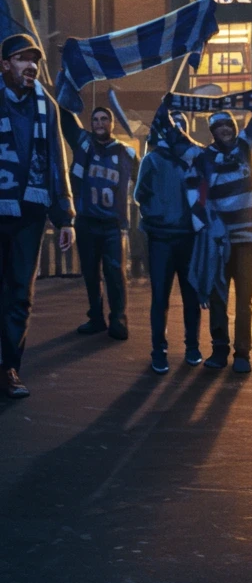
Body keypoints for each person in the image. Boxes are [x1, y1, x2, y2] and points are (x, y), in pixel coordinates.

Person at [0, 35, 74, 399]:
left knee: (19, 296)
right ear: (4, 65)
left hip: (29, 215)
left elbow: (57, 163)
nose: (30, 66)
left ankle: (9, 368)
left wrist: (65, 217)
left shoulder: (48, 106)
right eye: (21, 59)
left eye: (35, 61)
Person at [187, 98, 252, 374]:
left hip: (249, 238)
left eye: (229, 124)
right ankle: (219, 350)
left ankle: (242, 353)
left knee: (245, 299)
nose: (225, 129)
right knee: (218, 297)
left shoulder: (245, 146)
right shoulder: (203, 158)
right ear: (212, 132)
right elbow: (195, 194)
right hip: (218, 240)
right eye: (219, 126)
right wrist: (206, 226)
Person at [133, 106, 204, 373]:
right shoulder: (151, 160)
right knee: (160, 297)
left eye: (180, 125)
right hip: (161, 239)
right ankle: (158, 350)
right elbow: (140, 195)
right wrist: (159, 217)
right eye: (171, 124)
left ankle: (192, 346)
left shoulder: (194, 159)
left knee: (191, 296)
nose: (175, 129)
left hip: (188, 238)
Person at [60, 102, 138, 340]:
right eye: (96, 119)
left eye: (104, 119)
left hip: (112, 224)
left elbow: (145, 181)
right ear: (91, 124)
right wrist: (67, 88)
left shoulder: (126, 153)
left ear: (112, 123)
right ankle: (96, 317)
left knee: (115, 273)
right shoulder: (84, 144)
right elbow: (66, 120)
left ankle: (118, 319)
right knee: (91, 273)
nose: (100, 123)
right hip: (86, 220)